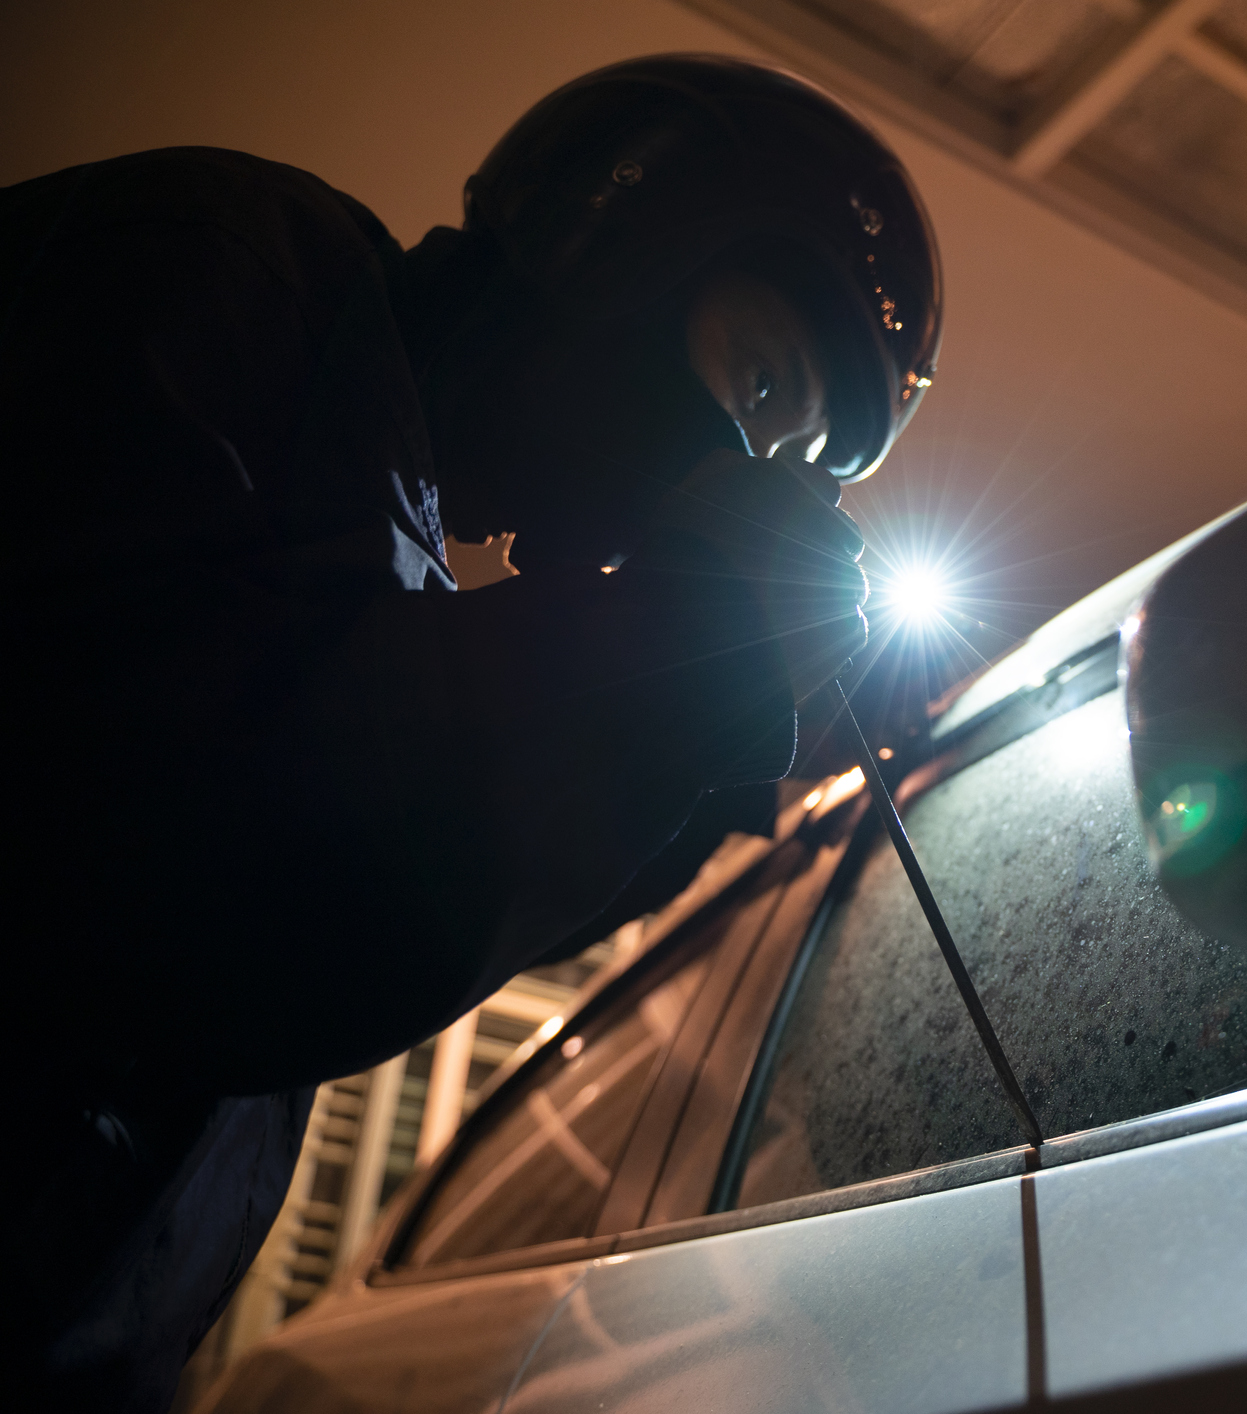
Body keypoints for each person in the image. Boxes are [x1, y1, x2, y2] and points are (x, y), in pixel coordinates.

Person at [0, 54, 941, 1411]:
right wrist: (684, 652)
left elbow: (412, 869)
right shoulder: (220, 278)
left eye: (789, 468)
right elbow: (164, 875)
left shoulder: (392, 536)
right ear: (619, 240)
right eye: (756, 388)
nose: (739, 483)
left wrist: (726, 749)